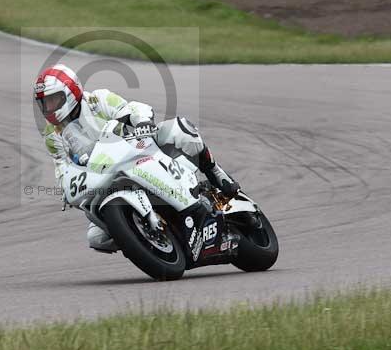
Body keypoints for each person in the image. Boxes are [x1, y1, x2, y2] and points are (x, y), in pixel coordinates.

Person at [34, 64, 241, 252]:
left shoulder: (98, 100)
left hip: (139, 146)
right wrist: (66, 189)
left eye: (53, 100)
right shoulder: (53, 135)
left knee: (180, 129)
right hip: (105, 175)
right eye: (45, 103)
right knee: (96, 237)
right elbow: (62, 166)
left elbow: (131, 108)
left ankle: (215, 172)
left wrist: (141, 121)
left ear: (70, 92)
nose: (49, 108)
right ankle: (144, 240)